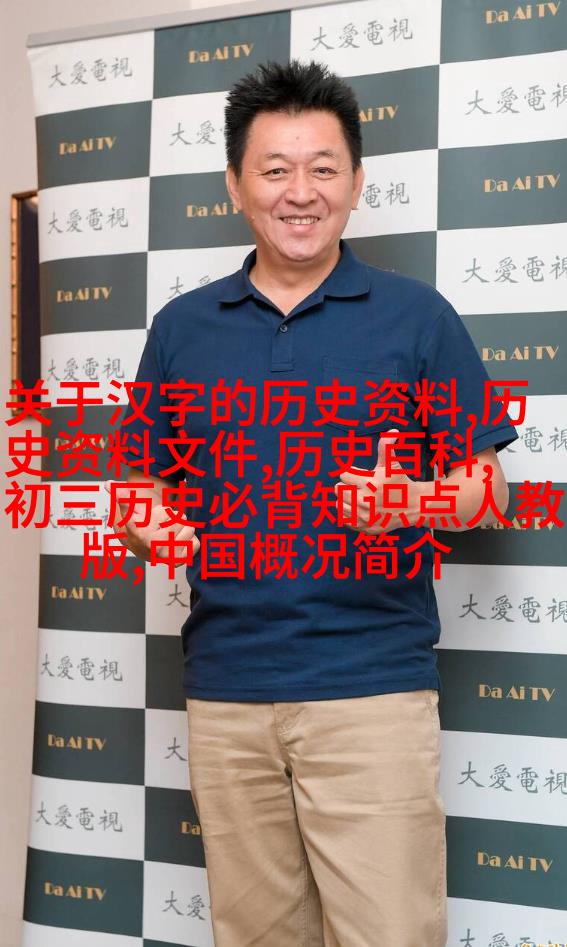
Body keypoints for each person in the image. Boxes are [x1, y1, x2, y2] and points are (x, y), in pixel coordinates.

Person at [109, 60, 518, 947]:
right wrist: (144, 524)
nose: (300, 192)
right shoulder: (180, 329)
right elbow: (139, 490)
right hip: (226, 692)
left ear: (356, 181)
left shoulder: (417, 318)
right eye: (275, 169)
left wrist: (409, 499)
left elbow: (488, 488)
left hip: (370, 691)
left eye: (323, 168)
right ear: (234, 185)